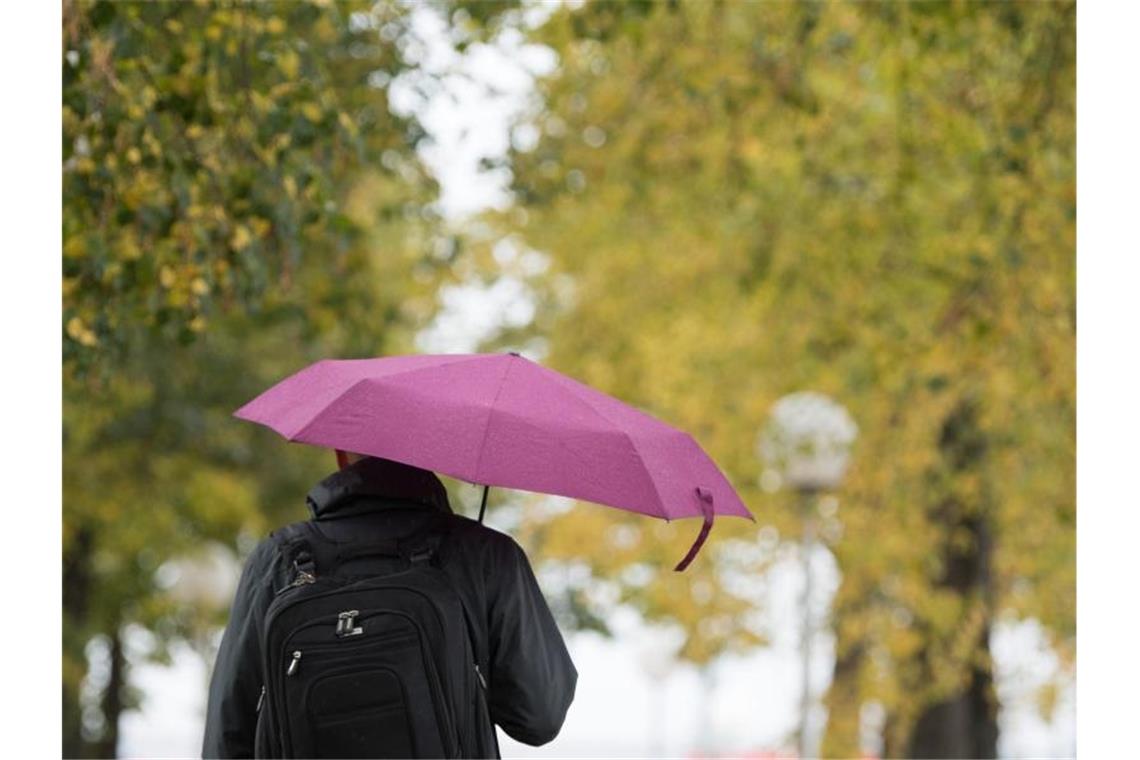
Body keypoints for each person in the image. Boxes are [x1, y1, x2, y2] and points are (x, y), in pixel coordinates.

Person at [202, 451, 577, 758]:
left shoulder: (277, 558)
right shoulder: (486, 554)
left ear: (341, 457)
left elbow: (228, 736)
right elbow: (538, 717)